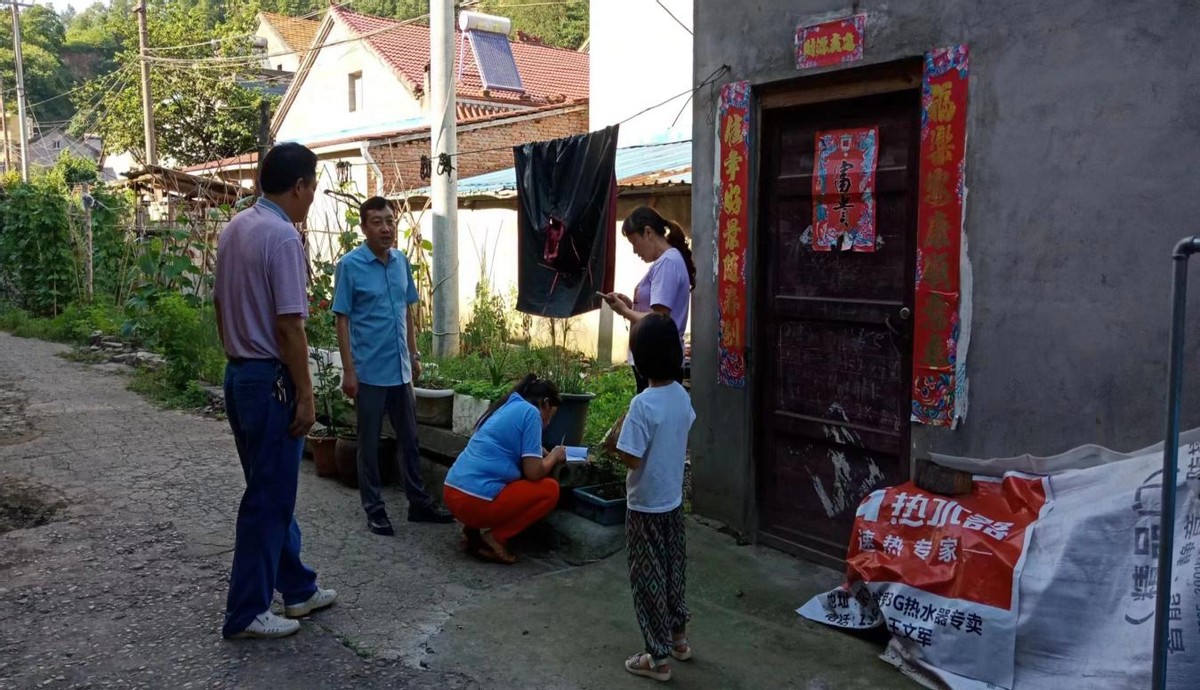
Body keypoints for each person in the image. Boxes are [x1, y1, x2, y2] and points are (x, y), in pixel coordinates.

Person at [213, 142, 337, 640]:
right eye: (313, 187)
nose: (312, 198)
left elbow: (221, 306)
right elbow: (290, 325)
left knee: (271, 489)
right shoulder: (283, 236)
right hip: (271, 380)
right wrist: (305, 393)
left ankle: (298, 589)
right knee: (269, 497)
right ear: (300, 186)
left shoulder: (236, 228)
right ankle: (247, 611)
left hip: (240, 373)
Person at [332, 196, 454, 535]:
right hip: (369, 372)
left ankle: (419, 503)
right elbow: (341, 320)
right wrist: (349, 370)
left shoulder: (401, 262)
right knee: (368, 444)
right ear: (363, 227)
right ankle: (375, 509)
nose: (386, 228)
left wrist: (414, 356)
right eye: (377, 222)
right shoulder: (350, 265)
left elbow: (407, 311)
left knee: (410, 440)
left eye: (390, 220)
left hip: (400, 371)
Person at [616, 313, 696, 682]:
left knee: (647, 579)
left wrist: (616, 439)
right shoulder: (681, 396)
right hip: (672, 503)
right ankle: (679, 639)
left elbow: (632, 458)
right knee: (672, 571)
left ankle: (657, 657)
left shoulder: (642, 405)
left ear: (640, 358)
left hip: (644, 506)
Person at [442, 375, 566, 564]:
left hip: (452, 491)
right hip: (474, 502)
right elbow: (534, 472)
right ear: (546, 403)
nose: (548, 421)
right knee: (549, 489)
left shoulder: (506, 406)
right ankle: (496, 537)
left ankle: (472, 530)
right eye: (552, 414)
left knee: (500, 477)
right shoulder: (532, 413)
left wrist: (538, 451)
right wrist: (554, 456)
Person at [600, 206, 695, 393]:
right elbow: (656, 312)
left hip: (657, 362)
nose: (635, 251)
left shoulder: (666, 264)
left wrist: (624, 311)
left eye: (635, 243)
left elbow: (659, 319)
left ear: (648, 232)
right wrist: (630, 304)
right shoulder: (668, 261)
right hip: (657, 360)